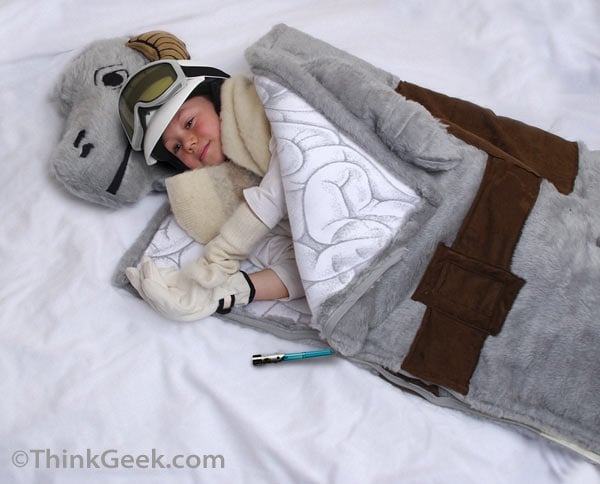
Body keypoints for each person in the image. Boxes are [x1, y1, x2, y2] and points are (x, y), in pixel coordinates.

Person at [118, 59, 303, 321]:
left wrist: (220, 255)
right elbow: (310, 267)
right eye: (176, 148)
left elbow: (292, 166)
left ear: (217, 102)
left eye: (189, 122)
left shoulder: (269, 116)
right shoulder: (232, 210)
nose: (188, 143)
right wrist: (226, 292)